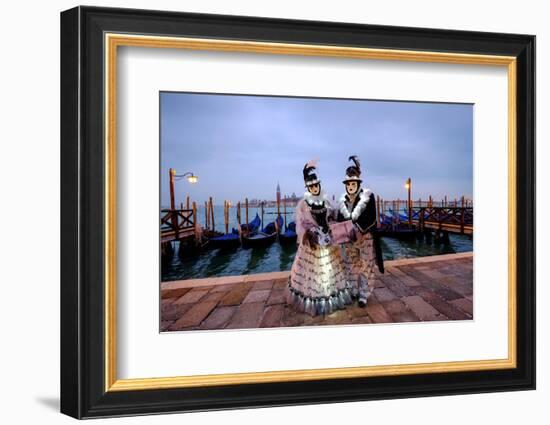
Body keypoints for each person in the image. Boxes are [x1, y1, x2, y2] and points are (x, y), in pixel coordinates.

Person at [286, 159, 353, 316]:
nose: (315, 188)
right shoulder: (303, 205)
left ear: (319, 186)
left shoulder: (327, 201)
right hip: (312, 245)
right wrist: (308, 235)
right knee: (313, 277)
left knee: (330, 273)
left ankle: (331, 297)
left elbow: (333, 217)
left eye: (316, 185)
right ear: (308, 188)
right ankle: (314, 301)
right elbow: (300, 225)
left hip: (328, 242)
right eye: (311, 186)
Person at [337, 156, 385, 307]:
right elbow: (340, 220)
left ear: (358, 183)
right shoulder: (343, 201)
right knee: (349, 265)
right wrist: (339, 231)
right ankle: (353, 290)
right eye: (348, 183)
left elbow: (371, 218)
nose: (350, 186)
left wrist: (358, 229)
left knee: (365, 265)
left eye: (353, 183)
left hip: (365, 238)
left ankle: (363, 294)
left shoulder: (368, 197)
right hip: (348, 240)